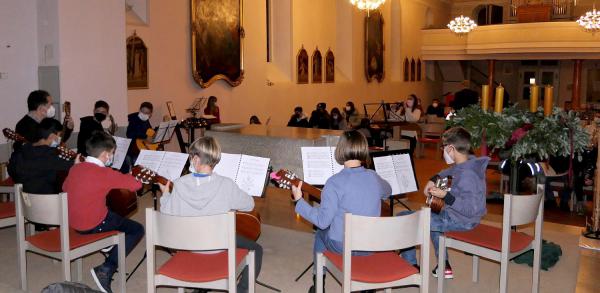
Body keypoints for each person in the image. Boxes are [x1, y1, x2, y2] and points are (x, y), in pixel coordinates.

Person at [291, 130, 392, 293]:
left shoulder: (334, 182)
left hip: (343, 245)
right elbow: (388, 191)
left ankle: (318, 284)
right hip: (371, 243)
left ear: (340, 150)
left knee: (320, 233)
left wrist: (299, 201)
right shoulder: (373, 176)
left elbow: (323, 221)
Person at [159, 137, 262, 293]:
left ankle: (200, 287)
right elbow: (249, 204)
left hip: (188, 244)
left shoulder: (179, 184)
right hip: (218, 245)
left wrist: (165, 194)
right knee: (257, 249)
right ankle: (241, 290)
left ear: (195, 159)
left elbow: (166, 212)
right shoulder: (226, 184)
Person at [400, 127, 489, 279]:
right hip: (459, 217)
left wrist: (445, 196)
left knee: (405, 218)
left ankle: (411, 265)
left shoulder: (467, 175)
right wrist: (434, 178)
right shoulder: (468, 163)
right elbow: (451, 171)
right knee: (433, 214)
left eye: (443, 148)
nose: (443, 151)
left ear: (451, 148)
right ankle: (443, 266)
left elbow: (470, 209)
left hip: (462, 221)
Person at [62, 131, 144, 293]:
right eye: (112, 153)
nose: (112, 156)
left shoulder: (75, 169)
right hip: (93, 224)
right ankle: (106, 268)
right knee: (136, 229)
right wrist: (131, 176)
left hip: (72, 222)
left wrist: (75, 166)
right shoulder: (104, 173)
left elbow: (65, 188)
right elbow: (136, 186)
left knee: (111, 211)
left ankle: (109, 245)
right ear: (106, 155)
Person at [8, 118, 79, 194]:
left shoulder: (20, 152)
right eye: (59, 135)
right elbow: (73, 165)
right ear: (51, 136)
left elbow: (11, 170)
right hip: (48, 203)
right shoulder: (51, 155)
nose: (60, 139)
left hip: (24, 203)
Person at [125, 102, 154, 171]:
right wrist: (145, 137)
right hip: (133, 150)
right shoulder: (132, 119)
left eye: (147, 113)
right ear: (139, 110)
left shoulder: (146, 120)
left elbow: (149, 131)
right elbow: (129, 134)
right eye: (142, 111)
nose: (144, 114)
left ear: (150, 114)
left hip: (143, 148)